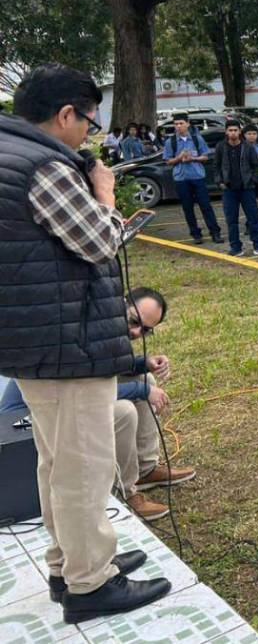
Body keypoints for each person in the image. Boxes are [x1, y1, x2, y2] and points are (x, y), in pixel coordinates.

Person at [0, 64, 171, 622]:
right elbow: (98, 241)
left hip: (38, 338)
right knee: (83, 466)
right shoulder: (44, 166)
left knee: (57, 463)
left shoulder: (9, 152)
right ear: (65, 114)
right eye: (89, 122)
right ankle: (89, 584)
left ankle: (69, 562)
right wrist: (103, 191)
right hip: (66, 341)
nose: (91, 135)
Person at [0, 288, 194, 524]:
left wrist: (145, 365)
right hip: (23, 424)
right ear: (121, 303)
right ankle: (125, 493)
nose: (135, 332)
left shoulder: (102, 323)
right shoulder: (85, 330)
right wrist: (142, 390)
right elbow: (88, 392)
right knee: (123, 412)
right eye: (134, 321)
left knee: (145, 382)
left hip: (63, 401)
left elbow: (103, 372)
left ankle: (145, 470)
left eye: (145, 331)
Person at [163, 113, 223, 245]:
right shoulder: (170, 142)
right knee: (188, 208)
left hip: (198, 177)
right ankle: (195, 234)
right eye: (176, 124)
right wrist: (179, 158)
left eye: (181, 123)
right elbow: (168, 161)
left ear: (187, 124)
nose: (179, 126)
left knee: (206, 206)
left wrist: (193, 158)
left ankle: (215, 232)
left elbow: (206, 156)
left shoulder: (197, 139)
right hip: (181, 179)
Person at [213, 120, 258, 257]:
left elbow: (256, 165)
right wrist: (219, 182)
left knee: (253, 219)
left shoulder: (247, 146)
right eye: (230, 130)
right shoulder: (221, 147)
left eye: (235, 130)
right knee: (231, 220)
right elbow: (216, 166)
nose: (233, 133)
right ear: (226, 132)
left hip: (247, 188)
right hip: (229, 190)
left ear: (240, 131)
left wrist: (253, 180)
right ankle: (236, 247)